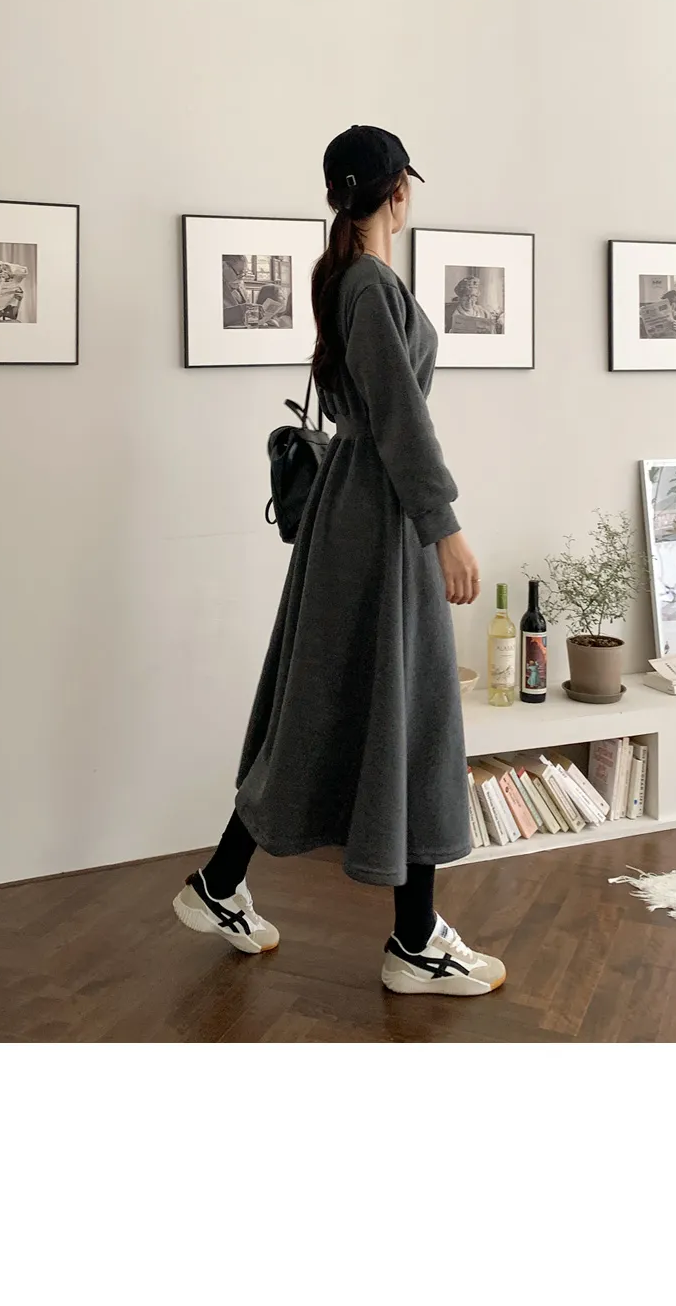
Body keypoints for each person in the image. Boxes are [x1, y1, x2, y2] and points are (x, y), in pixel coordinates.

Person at [174, 127, 506, 1000]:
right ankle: (412, 941)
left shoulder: (350, 278)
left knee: (334, 708)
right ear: (399, 191)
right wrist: (444, 526)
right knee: (408, 712)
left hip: (359, 515)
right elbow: (401, 416)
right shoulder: (366, 285)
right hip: (380, 518)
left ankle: (226, 884)